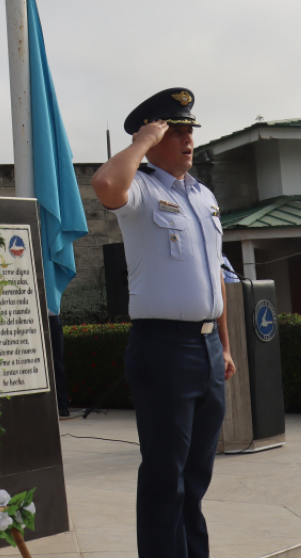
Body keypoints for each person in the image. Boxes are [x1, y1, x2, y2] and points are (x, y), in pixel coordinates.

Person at [91, 87, 236, 558]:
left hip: (208, 349)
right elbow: (105, 185)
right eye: (175, 131)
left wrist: (226, 345)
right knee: (164, 477)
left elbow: (215, 275)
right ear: (154, 139)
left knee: (195, 477)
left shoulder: (204, 196)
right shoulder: (143, 190)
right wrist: (141, 143)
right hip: (163, 348)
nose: (188, 139)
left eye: (190, 130)